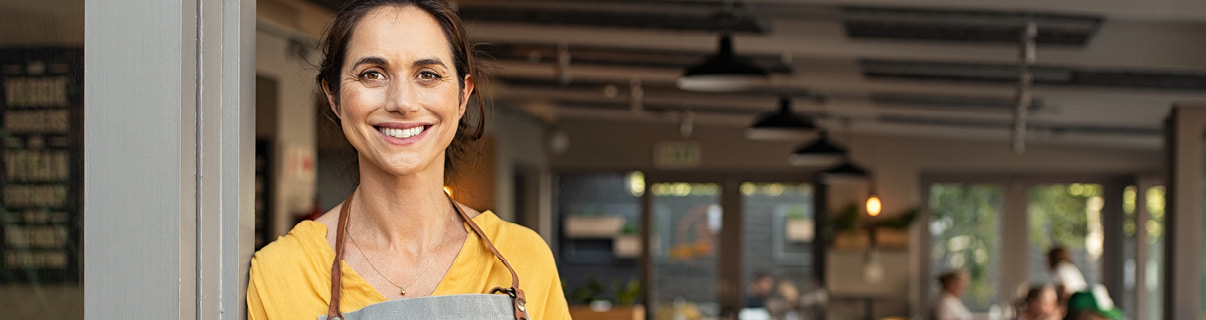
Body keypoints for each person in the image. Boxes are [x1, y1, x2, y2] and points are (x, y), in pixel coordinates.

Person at [245, 1, 571, 319]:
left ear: (462, 95)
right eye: (372, 74)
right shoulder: (283, 272)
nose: (402, 102)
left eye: (427, 74)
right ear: (333, 96)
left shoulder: (524, 257)